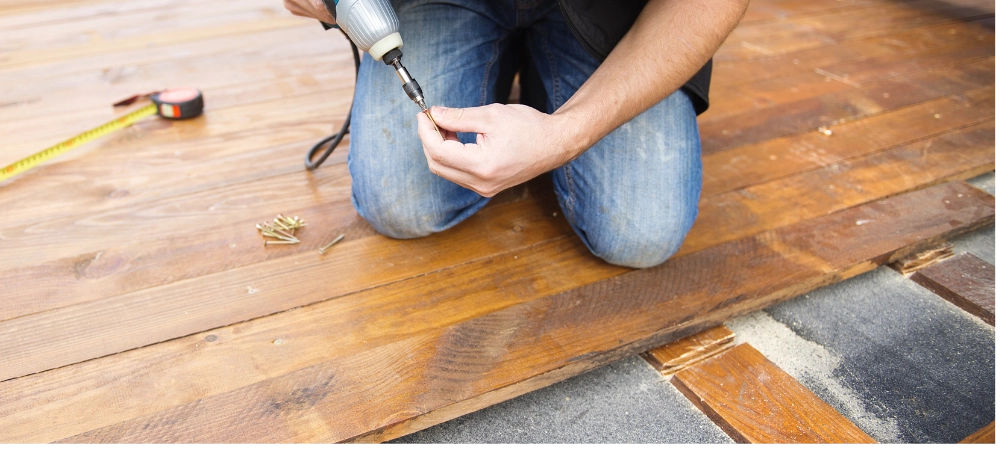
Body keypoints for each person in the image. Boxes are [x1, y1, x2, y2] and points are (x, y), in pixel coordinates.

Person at [284, 0, 749, 268]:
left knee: (641, 231)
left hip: (610, 7)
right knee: (401, 202)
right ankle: (511, 67)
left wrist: (568, 133)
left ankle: (549, 83)